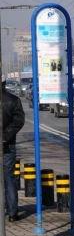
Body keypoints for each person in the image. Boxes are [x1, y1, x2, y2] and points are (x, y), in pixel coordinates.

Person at [3, 81, 25, 222]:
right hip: (7, 144)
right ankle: (12, 213)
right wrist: (5, 137)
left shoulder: (12, 100)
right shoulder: (12, 100)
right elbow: (19, 121)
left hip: (7, 144)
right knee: (9, 178)